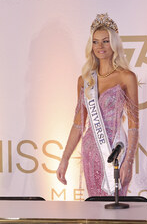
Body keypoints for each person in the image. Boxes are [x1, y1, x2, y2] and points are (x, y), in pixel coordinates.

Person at [56, 13, 139, 196]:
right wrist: (64, 159)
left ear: (114, 43)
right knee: (95, 206)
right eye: (95, 42)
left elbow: (134, 126)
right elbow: (78, 124)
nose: (100, 46)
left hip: (116, 149)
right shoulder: (84, 80)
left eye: (105, 41)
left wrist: (129, 162)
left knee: (116, 203)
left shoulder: (127, 77)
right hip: (90, 151)